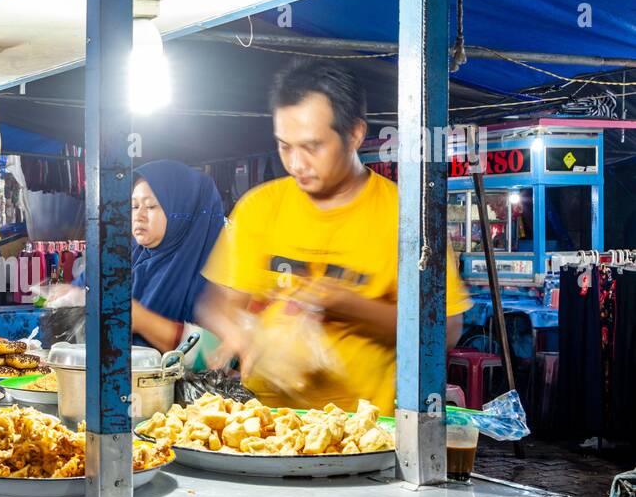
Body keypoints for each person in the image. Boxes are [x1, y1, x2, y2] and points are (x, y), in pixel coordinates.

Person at [202, 59, 471, 415]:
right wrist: (237, 333)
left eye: (312, 147)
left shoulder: (407, 218)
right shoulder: (258, 206)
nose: (296, 163)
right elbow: (219, 302)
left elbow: (446, 330)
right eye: (285, 146)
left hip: (363, 433)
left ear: (355, 134)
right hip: (263, 426)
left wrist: (348, 306)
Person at [128, 159, 225, 355]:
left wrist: (142, 321)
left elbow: (222, 356)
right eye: (134, 206)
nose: (139, 216)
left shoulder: (221, 272)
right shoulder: (124, 260)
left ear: (183, 211)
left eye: (151, 206)